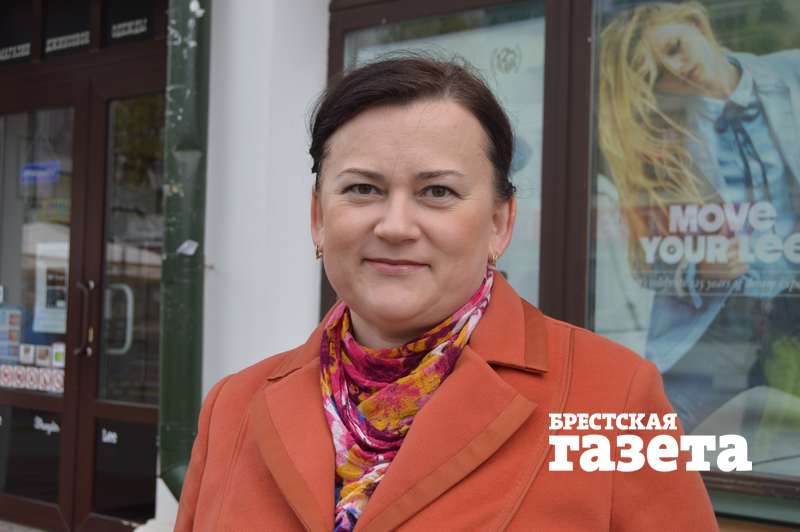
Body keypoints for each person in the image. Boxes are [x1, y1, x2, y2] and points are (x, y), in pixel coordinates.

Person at [175, 56, 717, 531]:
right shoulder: (232, 408)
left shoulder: (612, 398)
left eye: (437, 191)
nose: (395, 225)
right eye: (362, 188)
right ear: (319, 217)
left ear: (500, 223)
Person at [598, 1, 800, 433]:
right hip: (719, 321)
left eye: (675, 47)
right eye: (660, 74)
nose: (678, 68)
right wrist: (696, 270)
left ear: (696, 23)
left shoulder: (792, 74)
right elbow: (644, 258)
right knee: (655, 439)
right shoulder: (663, 138)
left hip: (793, 304)